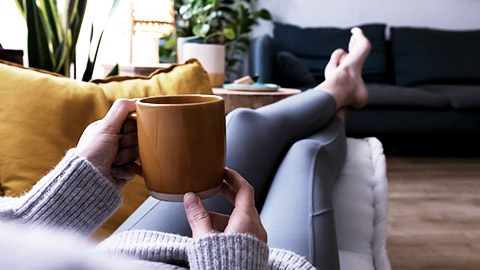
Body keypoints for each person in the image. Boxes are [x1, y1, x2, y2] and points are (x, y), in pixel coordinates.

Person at [0, 27, 371, 270]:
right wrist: (235, 263)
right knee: (305, 153)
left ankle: (337, 90)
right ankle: (339, 97)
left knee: (241, 123)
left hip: (126, 253)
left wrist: (77, 185)